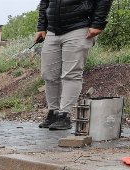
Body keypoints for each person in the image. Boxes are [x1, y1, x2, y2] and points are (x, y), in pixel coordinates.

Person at [36, 0, 113, 130]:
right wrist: (41, 27)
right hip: (52, 30)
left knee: (71, 74)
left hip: (79, 26)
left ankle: (64, 115)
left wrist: (98, 24)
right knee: (48, 74)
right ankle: (53, 113)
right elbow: (45, 2)